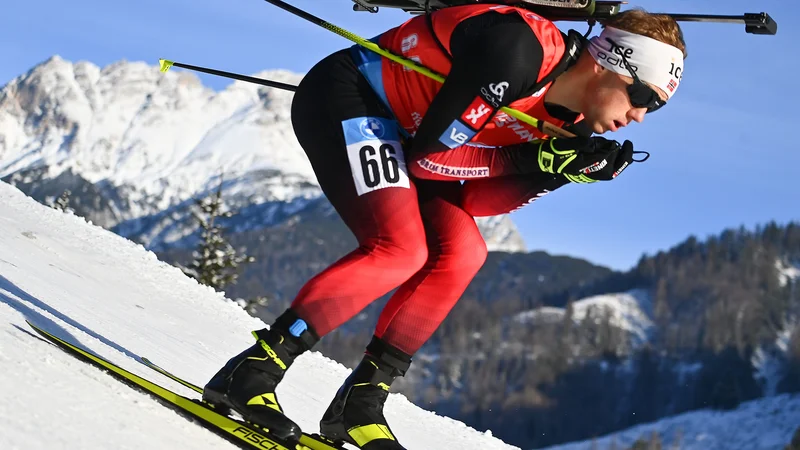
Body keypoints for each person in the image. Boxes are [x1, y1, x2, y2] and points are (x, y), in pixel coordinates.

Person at [202, 3, 687, 449]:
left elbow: (476, 198)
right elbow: (432, 158)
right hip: (354, 98)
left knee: (463, 253)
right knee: (400, 248)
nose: (641, 116)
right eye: (642, 95)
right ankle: (251, 373)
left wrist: (555, 170)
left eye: (656, 108)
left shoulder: (575, 120)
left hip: (415, 144)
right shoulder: (520, 51)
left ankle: (359, 405)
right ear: (608, 63)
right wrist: (531, 155)